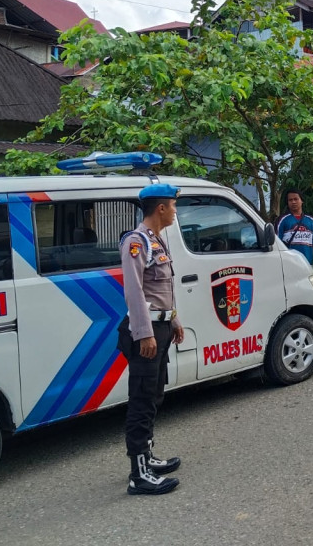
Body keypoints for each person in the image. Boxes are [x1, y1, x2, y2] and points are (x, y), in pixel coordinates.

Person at [118, 182, 184, 496]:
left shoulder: (157, 240)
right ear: (161, 208)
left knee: (153, 395)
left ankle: (148, 457)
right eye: (173, 205)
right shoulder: (136, 242)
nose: (175, 210)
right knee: (142, 401)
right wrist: (144, 333)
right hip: (146, 332)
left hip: (161, 328)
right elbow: (134, 292)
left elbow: (163, 289)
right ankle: (138, 475)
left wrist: (175, 321)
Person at [276, 189, 313, 276]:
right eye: (290, 200)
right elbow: (277, 243)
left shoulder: (311, 221)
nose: (293, 202)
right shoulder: (282, 220)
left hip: (307, 264)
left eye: (296, 199)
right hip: (288, 265)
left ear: (302, 201)